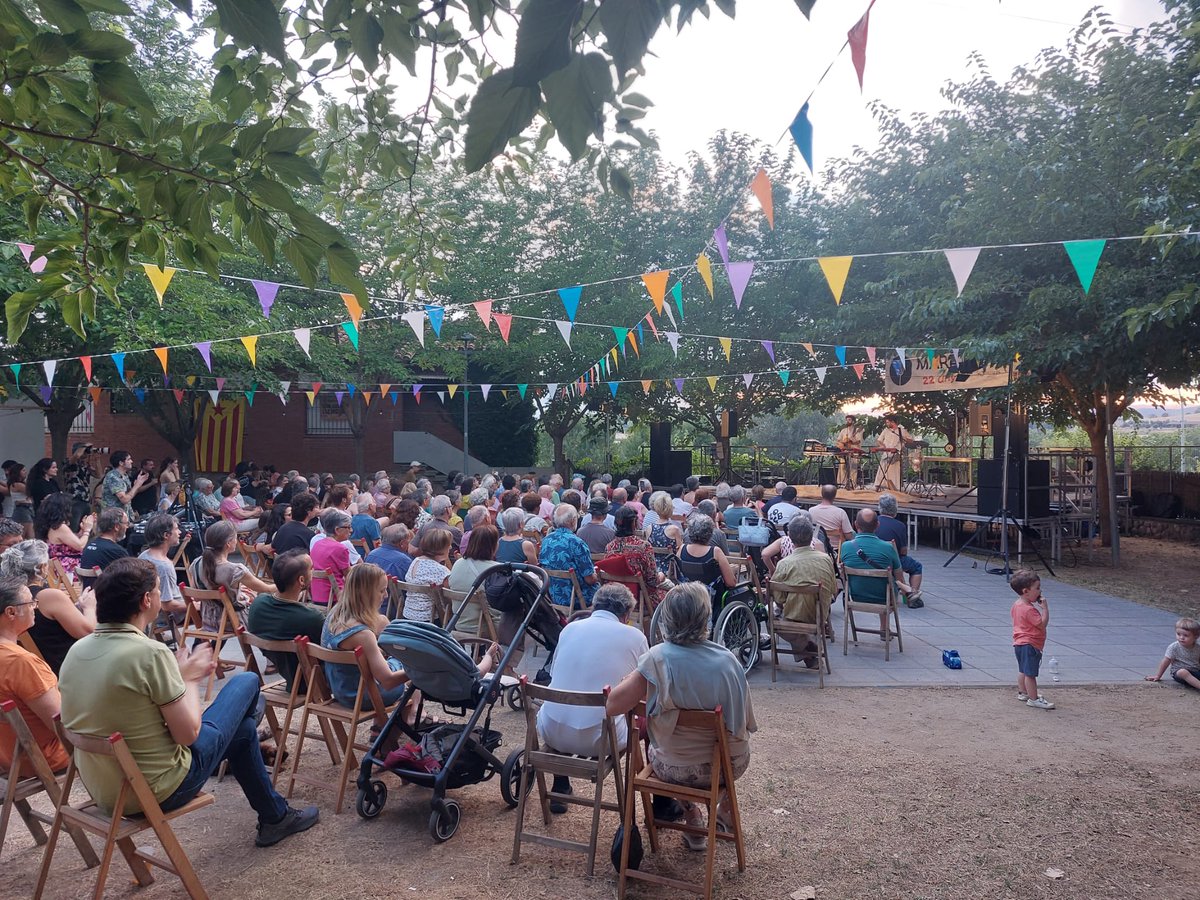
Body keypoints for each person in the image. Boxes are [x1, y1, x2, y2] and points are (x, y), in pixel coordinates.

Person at [58, 557, 318, 843]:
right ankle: (271, 805)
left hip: (106, 790)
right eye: (158, 591)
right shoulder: (149, 654)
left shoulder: (77, 650)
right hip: (158, 789)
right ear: (147, 600)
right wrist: (190, 679)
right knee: (247, 682)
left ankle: (275, 817)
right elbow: (187, 736)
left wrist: (179, 680)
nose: (160, 597)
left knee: (243, 731)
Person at [606, 582, 756, 849]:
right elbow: (744, 724)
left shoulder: (657, 658)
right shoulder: (729, 661)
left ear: (667, 617)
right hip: (728, 766)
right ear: (705, 618)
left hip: (675, 769)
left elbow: (613, 705)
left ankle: (692, 816)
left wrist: (634, 677)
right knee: (723, 746)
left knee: (659, 741)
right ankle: (724, 810)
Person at [536, 584, 648, 813]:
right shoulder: (634, 636)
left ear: (594, 606)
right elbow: (644, 691)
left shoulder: (569, 629)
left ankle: (560, 783)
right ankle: (662, 802)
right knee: (650, 718)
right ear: (626, 614)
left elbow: (556, 673)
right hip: (602, 739)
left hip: (551, 729)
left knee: (570, 699)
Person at [0, 576, 70, 776]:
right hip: (44, 756)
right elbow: (64, 726)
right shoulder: (20, 662)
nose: (35, 608)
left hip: (8, 758)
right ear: (11, 612)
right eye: (30, 602)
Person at [1, 540, 96, 675]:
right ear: (42, 567)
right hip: (67, 669)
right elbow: (89, 633)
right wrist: (90, 607)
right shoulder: (48, 597)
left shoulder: (11, 595)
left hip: (36, 667)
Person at [246, 550, 325, 691]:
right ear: (301, 580)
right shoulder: (311, 618)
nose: (314, 571)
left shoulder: (258, 605)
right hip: (312, 682)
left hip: (289, 676)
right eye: (311, 568)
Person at [770, 516, 838, 665]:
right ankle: (808, 654)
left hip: (794, 616)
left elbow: (779, 599)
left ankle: (806, 648)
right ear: (811, 536)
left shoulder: (784, 564)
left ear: (790, 537)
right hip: (820, 615)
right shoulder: (826, 559)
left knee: (770, 618)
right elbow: (833, 589)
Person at [197, 521, 274, 631]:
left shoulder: (196, 564)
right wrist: (287, 585)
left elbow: (201, 593)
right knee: (268, 603)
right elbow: (266, 589)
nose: (236, 540)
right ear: (228, 543)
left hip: (207, 619)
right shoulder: (235, 570)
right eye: (235, 537)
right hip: (233, 620)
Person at [839, 509, 914, 606]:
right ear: (878, 525)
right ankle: (885, 620)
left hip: (856, 596)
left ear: (856, 525)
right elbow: (899, 576)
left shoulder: (845, 546)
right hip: (885, 597)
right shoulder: (888, 547)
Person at [604, 506, 668, 609]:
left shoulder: (609, 547)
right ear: (633, 523)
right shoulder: (643, 546)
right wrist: (661, 576)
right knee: (672, 595)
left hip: (615, 599)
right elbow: (652, 581)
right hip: (641, 599)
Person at [538, 505, 598, 609]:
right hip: (576, 597)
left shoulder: (546, 540)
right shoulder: (576, 543)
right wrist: (597, 575)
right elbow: (589, 579)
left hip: (553, 595)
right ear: (572, 521)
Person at [1010, 569, 1053, 710]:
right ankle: (1033, 699)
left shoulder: (1017, 605)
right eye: (1037, 588)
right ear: (1025, 591)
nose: (1040, 591)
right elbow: (1042, 624)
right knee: (1030, 674)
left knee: (1023, 669)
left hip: (1019, 643)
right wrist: (1045, 609)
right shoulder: (1030, 610)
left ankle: (1023, 692)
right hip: (1030, 644)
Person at [448, 524, 500, 636]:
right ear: (493, 545)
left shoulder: (458, 564)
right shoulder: (496, 570)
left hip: (458, 623)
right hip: (484, 627)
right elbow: (498, 613)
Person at [137, 513, 190, 620]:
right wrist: (195, 606)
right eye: (176, 529)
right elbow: (167, 605)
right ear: (166, 535)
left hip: (151, 609)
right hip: (172, 615)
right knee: (219, 614)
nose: (179, 532)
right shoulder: (163, 566)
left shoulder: (144, 555)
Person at [677, 516, 736, 611]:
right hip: (712, 598)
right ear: (710, 533)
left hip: (688, 596)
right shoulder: (715, 552)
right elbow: (731, 583)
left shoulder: (681, 549)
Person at [875, 493, 924, 607]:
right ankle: (912, 595)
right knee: (917, 567)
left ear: (879, 508)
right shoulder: (900, 525)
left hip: (873, 560)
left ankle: (905, 590)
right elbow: (903, 551)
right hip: (893, 562)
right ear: (895, 509)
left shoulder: (872, 522)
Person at [35, 492, 94, 580]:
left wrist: (82, 531)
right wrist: (87, 530)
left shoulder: (53, 526)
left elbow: (69, 542)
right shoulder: (60, 527)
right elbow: (80, 546)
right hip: (67, 571)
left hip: (62, 568)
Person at [402, 527, 452, 623]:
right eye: (448, 545)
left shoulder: (415, 562)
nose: (450, 548)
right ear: (441, 548)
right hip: (431, 619)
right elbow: (449, 600)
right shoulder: (442, 571)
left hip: (408, 615)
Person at [307, 508, 352, 607]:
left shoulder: (317, 544)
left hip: (315, 595)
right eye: (348, 527)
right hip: (334, 597)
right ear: (337, 530)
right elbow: (350, 576)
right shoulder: (340, 548)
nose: (351, 530)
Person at [1145, 617, 1200, 690]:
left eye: (1185, 635)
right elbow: (1166, 661)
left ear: (1196, 637)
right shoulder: (1174, 647)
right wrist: (1158, 676)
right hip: (1179, 672)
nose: (1181, 637)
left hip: (1195, 671)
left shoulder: (1197, 648)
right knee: (1183, 672)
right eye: (1178, 634)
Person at [79, 507, 130, 575]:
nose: (127, 527)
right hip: (104, 585)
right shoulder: (117, 552)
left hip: (87, 585)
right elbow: (130, 577)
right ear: (117, 527)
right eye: (126, 524)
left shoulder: (88, 545)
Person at [100, 451, 150, 519]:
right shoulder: (113, 477)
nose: (131, 461)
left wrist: (137, 485)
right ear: (121, 463)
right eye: (128, 459)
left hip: (124, 516)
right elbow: (124, 499)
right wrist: (136, 486)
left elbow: (129, 495)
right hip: (114, 518)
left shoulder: (125, 476)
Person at [645, 491, 683, 577]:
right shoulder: (674, 529)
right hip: (670, 569)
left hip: (652, 568)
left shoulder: (649, 528)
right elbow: (679, 553)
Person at [808, 484, 855, 551]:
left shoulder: (811, 511)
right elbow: (849, 536)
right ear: (834, 496)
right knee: (853, 533)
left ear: (822, 494)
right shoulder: (840, 512)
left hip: (817, 549)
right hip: (836, 550)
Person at [870, 414, 908, 492]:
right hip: (886, 452)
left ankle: (894, 488)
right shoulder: (886, 430)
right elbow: (879, 440)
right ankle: (879, 486)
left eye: (888, 422)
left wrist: (904, 439)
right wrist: (882, 446)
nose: (887, 424)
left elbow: (910, 441)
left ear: (893, 422)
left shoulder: (901, 431)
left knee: (893, 471)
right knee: (882, 470)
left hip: (896, 454)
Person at [835, 413, 864, 488]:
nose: (848, 421)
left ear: (853, 421)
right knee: (842, 467)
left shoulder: (858, 430)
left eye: (849, 420)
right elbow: (838, 440)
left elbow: (858, 441)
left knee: (853, 468)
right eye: (847, 420)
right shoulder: (843, 430)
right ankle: (842, 484)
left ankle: (852, 485)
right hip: (845, 452)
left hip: (854, 452)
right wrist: (842, 444)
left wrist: (851, 440)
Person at [5, 462, 33, 536]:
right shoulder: (17, 485)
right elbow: (31, 492)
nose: (25, 472)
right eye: (23, 470)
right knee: (25, 535)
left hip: (27, 509)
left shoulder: (20, 483)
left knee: (29, 534)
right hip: (22, 510)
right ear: (18, 472)